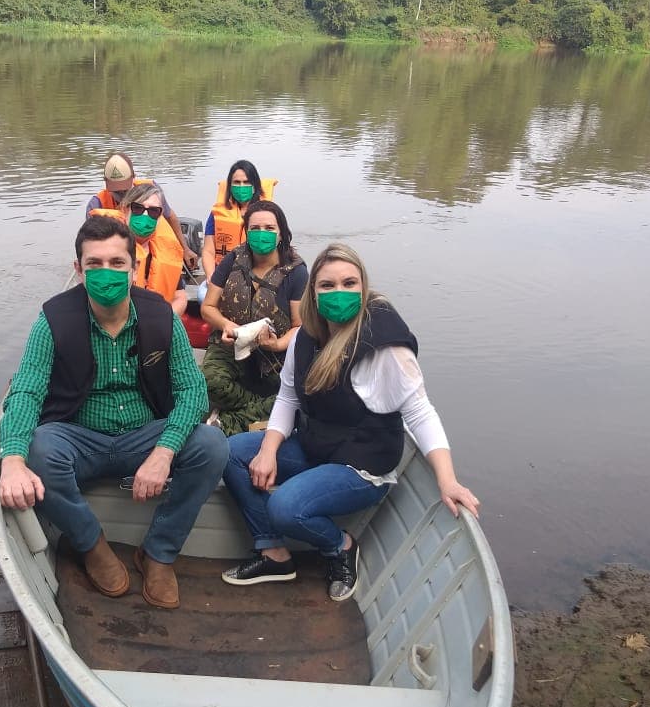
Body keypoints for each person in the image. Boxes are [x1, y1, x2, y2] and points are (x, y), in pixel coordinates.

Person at [220, 244, 480, 602]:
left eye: (349, 283)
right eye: (327, 286)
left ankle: (340, 546)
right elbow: (289, 397)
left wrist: (447, 480)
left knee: (287, 508)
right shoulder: (306, 336)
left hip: (363, 464)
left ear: (363, 287)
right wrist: (267, 449)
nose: (338, 293)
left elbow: (420, 413)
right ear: (313, 292)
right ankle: (273, 553)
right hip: (318, 444)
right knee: (231, 452)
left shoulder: (384, 346)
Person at [0, 214, 227, 610]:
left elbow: (192, 389)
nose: (107, 273)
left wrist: (163, 451)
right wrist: (12, 459)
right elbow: (26, 390)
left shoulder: (158, 316)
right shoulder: (54, 319)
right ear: (79, 270)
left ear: (133, 268)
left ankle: (158, 552)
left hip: (144, 437)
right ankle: (92, 545)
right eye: (95, 265)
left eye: (117, 264)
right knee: (37, 448)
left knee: (212, 445)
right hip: (79, 439)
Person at [199, 200, 307, 436]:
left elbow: (300, 326)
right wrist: (227, 326)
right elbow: (208, 307)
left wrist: (277, 343)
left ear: (281, 234)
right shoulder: (233, 259)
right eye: (255, 228)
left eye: (269, 228)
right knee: (208, 382)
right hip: (228, 346)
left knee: (299, 398)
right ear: (246, 232)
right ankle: (260, 407)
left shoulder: (296, 272)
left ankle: (228, 422)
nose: (262, 234)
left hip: (272, 358)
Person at [87, 152, 198, 269]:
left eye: (125, 191)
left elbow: (170, 217)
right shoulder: (96, 204)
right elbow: (90, 243)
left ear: (134, 177)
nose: (122, 196)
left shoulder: (151, 193)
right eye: (116, 192)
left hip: (151, 252)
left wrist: (185, 249)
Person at [91, 182, 188, 315]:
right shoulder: (107, 248)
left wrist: (164, 319)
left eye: (153, 211)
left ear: (160, 216)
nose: (145, 216)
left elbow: (180, 296)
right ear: (125, 209)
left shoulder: (167, 249)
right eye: (138, 208)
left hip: (159, 321)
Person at [201, 160, 278, 280]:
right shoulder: (217, 214)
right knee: (202, 294)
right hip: (223, 274)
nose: (241, 186)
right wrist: (211, 277)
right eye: (237, 182)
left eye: (246, 182)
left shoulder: (268, 213)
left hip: (256, 275)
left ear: (255, 185)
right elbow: (208, 251)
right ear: (230, 186)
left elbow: (277, 250)